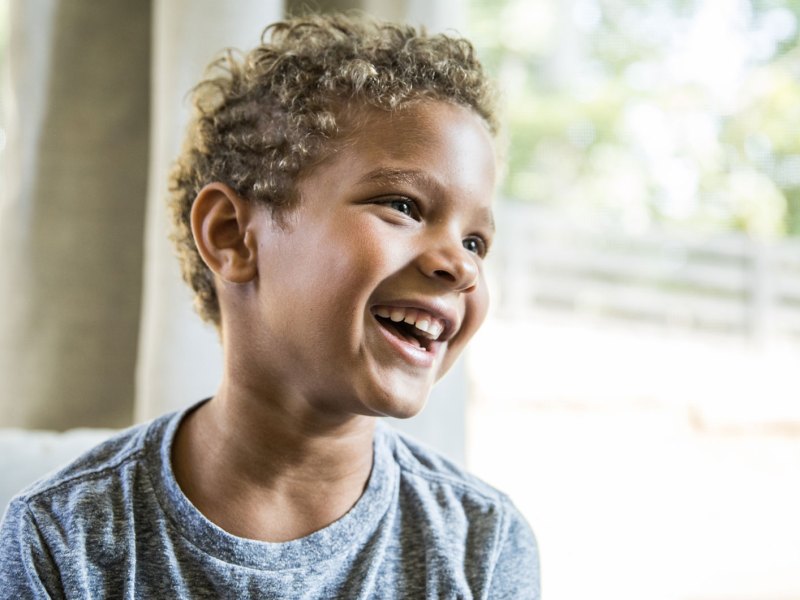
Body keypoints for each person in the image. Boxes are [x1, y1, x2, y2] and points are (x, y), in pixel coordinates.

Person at [0, 13, 539, 598]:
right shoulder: (57, 540)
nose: (460, 265)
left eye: (475, 242)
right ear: (231, 235)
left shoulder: (482, 546)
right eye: (402, 206)